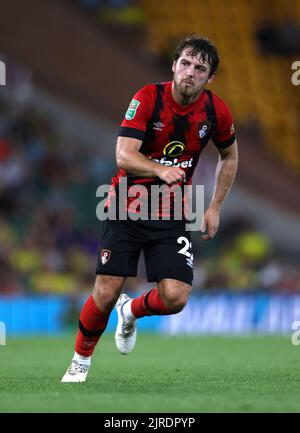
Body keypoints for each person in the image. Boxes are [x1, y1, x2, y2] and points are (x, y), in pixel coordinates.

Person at [61, 34, 238, 382]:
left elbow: (229, 155)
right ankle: (80, 360)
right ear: (173, 64)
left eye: (200, 68)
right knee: (107, 290)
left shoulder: (216, 111)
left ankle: (132, 309)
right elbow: (123, 155)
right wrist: (160, 169)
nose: (190, 72)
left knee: (175, 297)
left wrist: (215, 206)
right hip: (126, 206)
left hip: (170, 212)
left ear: (209, 77)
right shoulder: (147, 99)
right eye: (185, 63)